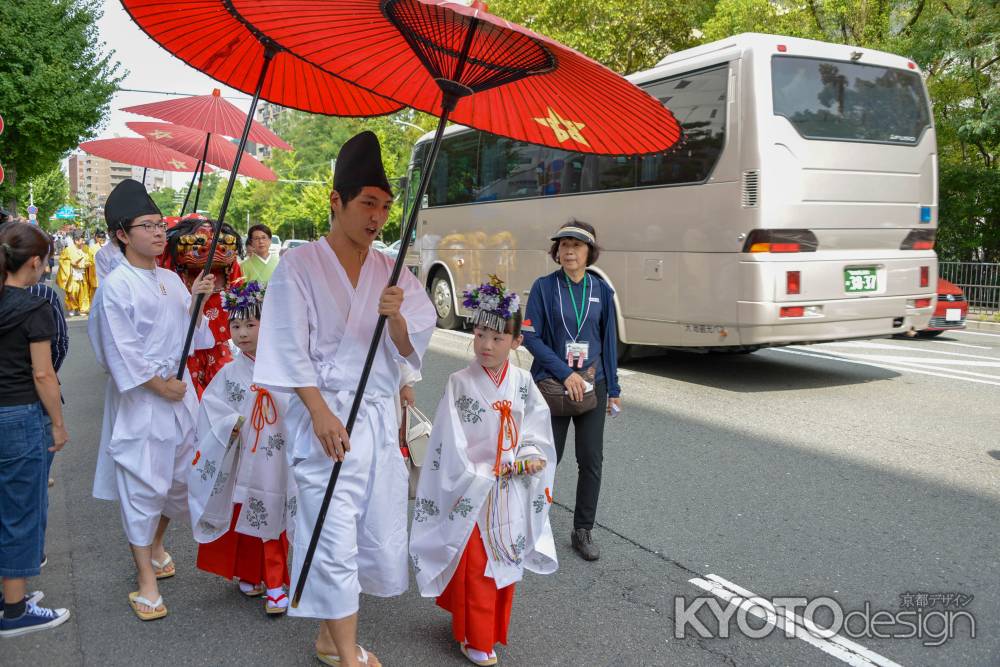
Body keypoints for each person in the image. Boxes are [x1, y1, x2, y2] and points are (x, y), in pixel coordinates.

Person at [255, 131, 436, 667]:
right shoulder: (299, 265)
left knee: (362, 533)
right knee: (331, 537)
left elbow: (410, 347)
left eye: (385, 206)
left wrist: (397, 317)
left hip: (375, 420)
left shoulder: (391, 270)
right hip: (326, 423)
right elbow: (287, 347)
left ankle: (328, 641)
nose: (378, 217)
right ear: (337, 201)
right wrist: (319, 412)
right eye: (367, 203)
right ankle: (349, 659)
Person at [410, 277, 557, 667]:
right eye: (479, 335)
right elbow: (447, 443)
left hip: (511, 490)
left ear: (516, 341)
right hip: (473, 487)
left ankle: (481, 629)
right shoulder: (460, 383)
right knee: (477, 564)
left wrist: (530, 456)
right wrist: (481, 472)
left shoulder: (523, 382)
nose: (486, 345)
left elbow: (534, 430)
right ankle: (476, 638)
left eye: (497, 337)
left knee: (503, 561)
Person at [88, 179, 215, 621]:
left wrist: (197, 303)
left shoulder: (171, 280)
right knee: (143, 486)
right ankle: (146, 581)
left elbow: (191, 337)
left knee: (180, 482)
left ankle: (157, 544)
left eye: (161, 225)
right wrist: (160, 386)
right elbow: (119, 351)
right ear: (122, 234)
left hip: (180, 398)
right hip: (143, 402)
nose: (160, 233)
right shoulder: (115, 287)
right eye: (148, 226)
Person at [188, 280, 294, 616]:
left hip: (278, 455)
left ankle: (276, 582)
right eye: (235, 326)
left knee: (275, 511)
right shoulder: (230, 372)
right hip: (245, 453)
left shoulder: (286, 365)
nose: (242, 333)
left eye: (251, 324)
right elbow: (212, 407)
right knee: (247, 510)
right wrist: (230, 423)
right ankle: (254, 575)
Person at [521, 220, 622, 562]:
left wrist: (614, 389)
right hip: (553, 385)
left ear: (589, 252)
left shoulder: (601, 290)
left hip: (594, 384)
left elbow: (608, 342)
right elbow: (531, 337)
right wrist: (566, 374)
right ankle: (531, 523)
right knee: (547, 457)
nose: (569, 251)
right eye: (563, 245)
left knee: (591, 460)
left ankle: (583, 530)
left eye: (576, 245)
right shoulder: (544, 287)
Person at [0, 222, 71, 637]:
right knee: (21, 511)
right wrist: (58, 424)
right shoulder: (34, 307)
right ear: (33, 262)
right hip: (19, 415)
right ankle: (14, 611)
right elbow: (43, 374)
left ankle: (8, 597)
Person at [55, 230, 91, 316]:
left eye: (83, 240)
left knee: (83, 291)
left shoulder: (86, 248)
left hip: (83, 273)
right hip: (72, 274)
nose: (83, 242)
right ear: (76, 240)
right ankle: (73, 307)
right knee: (73, 291)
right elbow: (62, 260)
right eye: (82, 240)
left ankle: (83, 309)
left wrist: (85, 264)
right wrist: (71, 263)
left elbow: (91, 260)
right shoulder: (68, 250)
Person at [85, 230, 109, 303]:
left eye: (103, 238)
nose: (102, 240)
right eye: (100, 238)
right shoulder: (93, 248)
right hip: (95, 273)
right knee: (95, 291)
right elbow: (89, 260)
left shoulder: (108, 247)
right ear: (97, 238)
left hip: (106, 273)